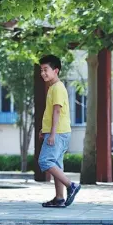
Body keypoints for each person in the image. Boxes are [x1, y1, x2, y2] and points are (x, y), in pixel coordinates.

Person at [38, 55, 81, 207]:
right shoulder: (54, 87)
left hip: (59, 132)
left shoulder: (57, 88)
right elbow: (51, 112)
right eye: (41, 70)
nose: (43, 73)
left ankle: (71, 186)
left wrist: (53, 134)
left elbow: (57, 111)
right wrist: (45, 130)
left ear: (56, 70)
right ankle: (59, 198)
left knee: (45, 161)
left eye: (46, 70)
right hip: (59, 131)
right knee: (56, 164)